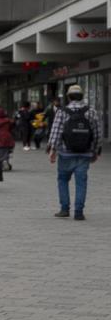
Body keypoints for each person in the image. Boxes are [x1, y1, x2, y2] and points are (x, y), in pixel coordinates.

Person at [49, 84, 100, 220]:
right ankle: (79, 212)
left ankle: (64, 209)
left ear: (69, 97)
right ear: (82, 96)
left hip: (65, 153)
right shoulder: (91, 111)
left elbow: (56, 133)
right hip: (84, 153)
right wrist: (95, 151)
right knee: (81, 183)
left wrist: (53, 150)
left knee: (63, 180)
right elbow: (97, 134)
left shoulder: (62, 111)